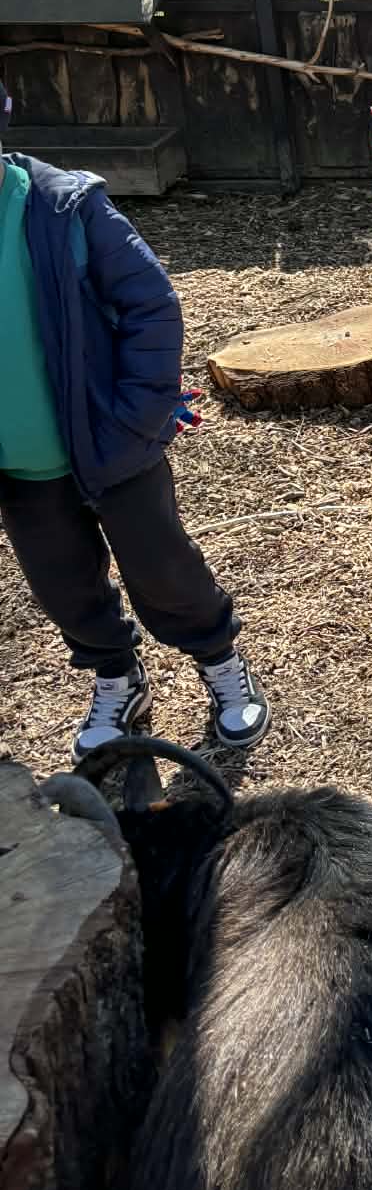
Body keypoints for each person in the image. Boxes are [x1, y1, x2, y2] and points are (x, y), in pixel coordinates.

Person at [0, 80, 267, 759]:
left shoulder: (61, 207)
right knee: (62, 584)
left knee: (162, 566)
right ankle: (117, 678)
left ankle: (220, 661)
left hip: (110, 441)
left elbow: (150, 303)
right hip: (18, 468)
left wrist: (138, 415)